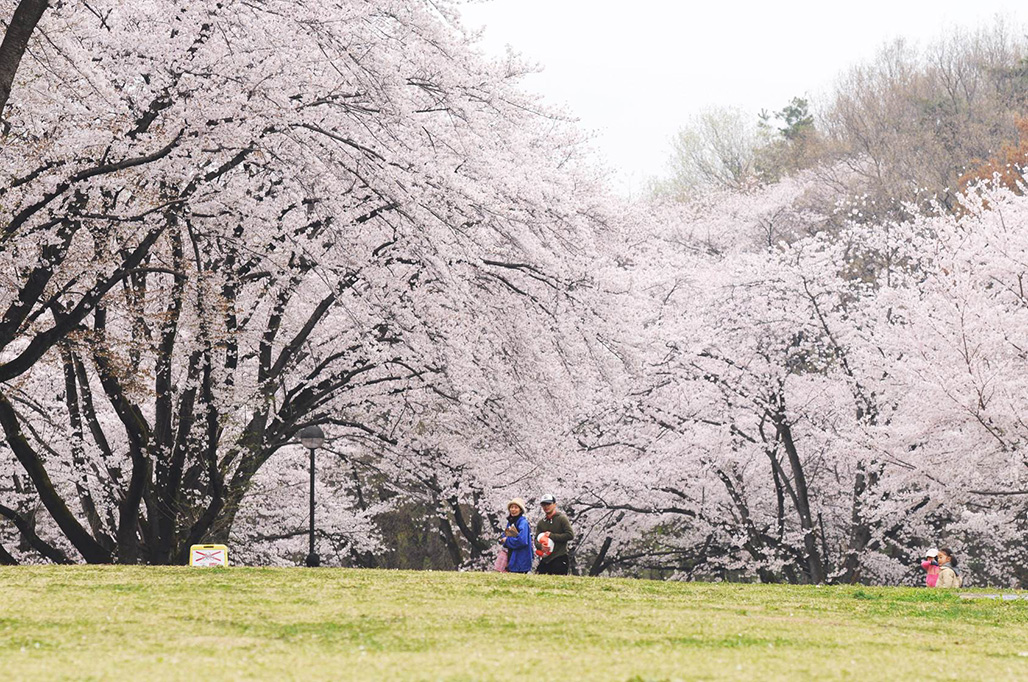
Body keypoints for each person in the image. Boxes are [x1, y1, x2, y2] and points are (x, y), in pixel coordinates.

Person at [534, 494, 574, 575]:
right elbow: (536, 539)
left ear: (554, 505)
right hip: (545, 559)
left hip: (560, 557)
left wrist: (552, 536)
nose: (546, 506)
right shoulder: (541, 523)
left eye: (549, 504)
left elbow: (570, 535)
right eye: (544, 504)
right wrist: (541, 546)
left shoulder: (562, 519)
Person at [499, 498, 532, 573]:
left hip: (520, 559)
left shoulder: (523, 523)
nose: (513, 509)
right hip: (512, 557)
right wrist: (502, 540)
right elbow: (506, 535)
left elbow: (522, 541)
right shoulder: (511, 522)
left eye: (516, 507)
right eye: (511, 507)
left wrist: (506, 540)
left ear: (520, 510)